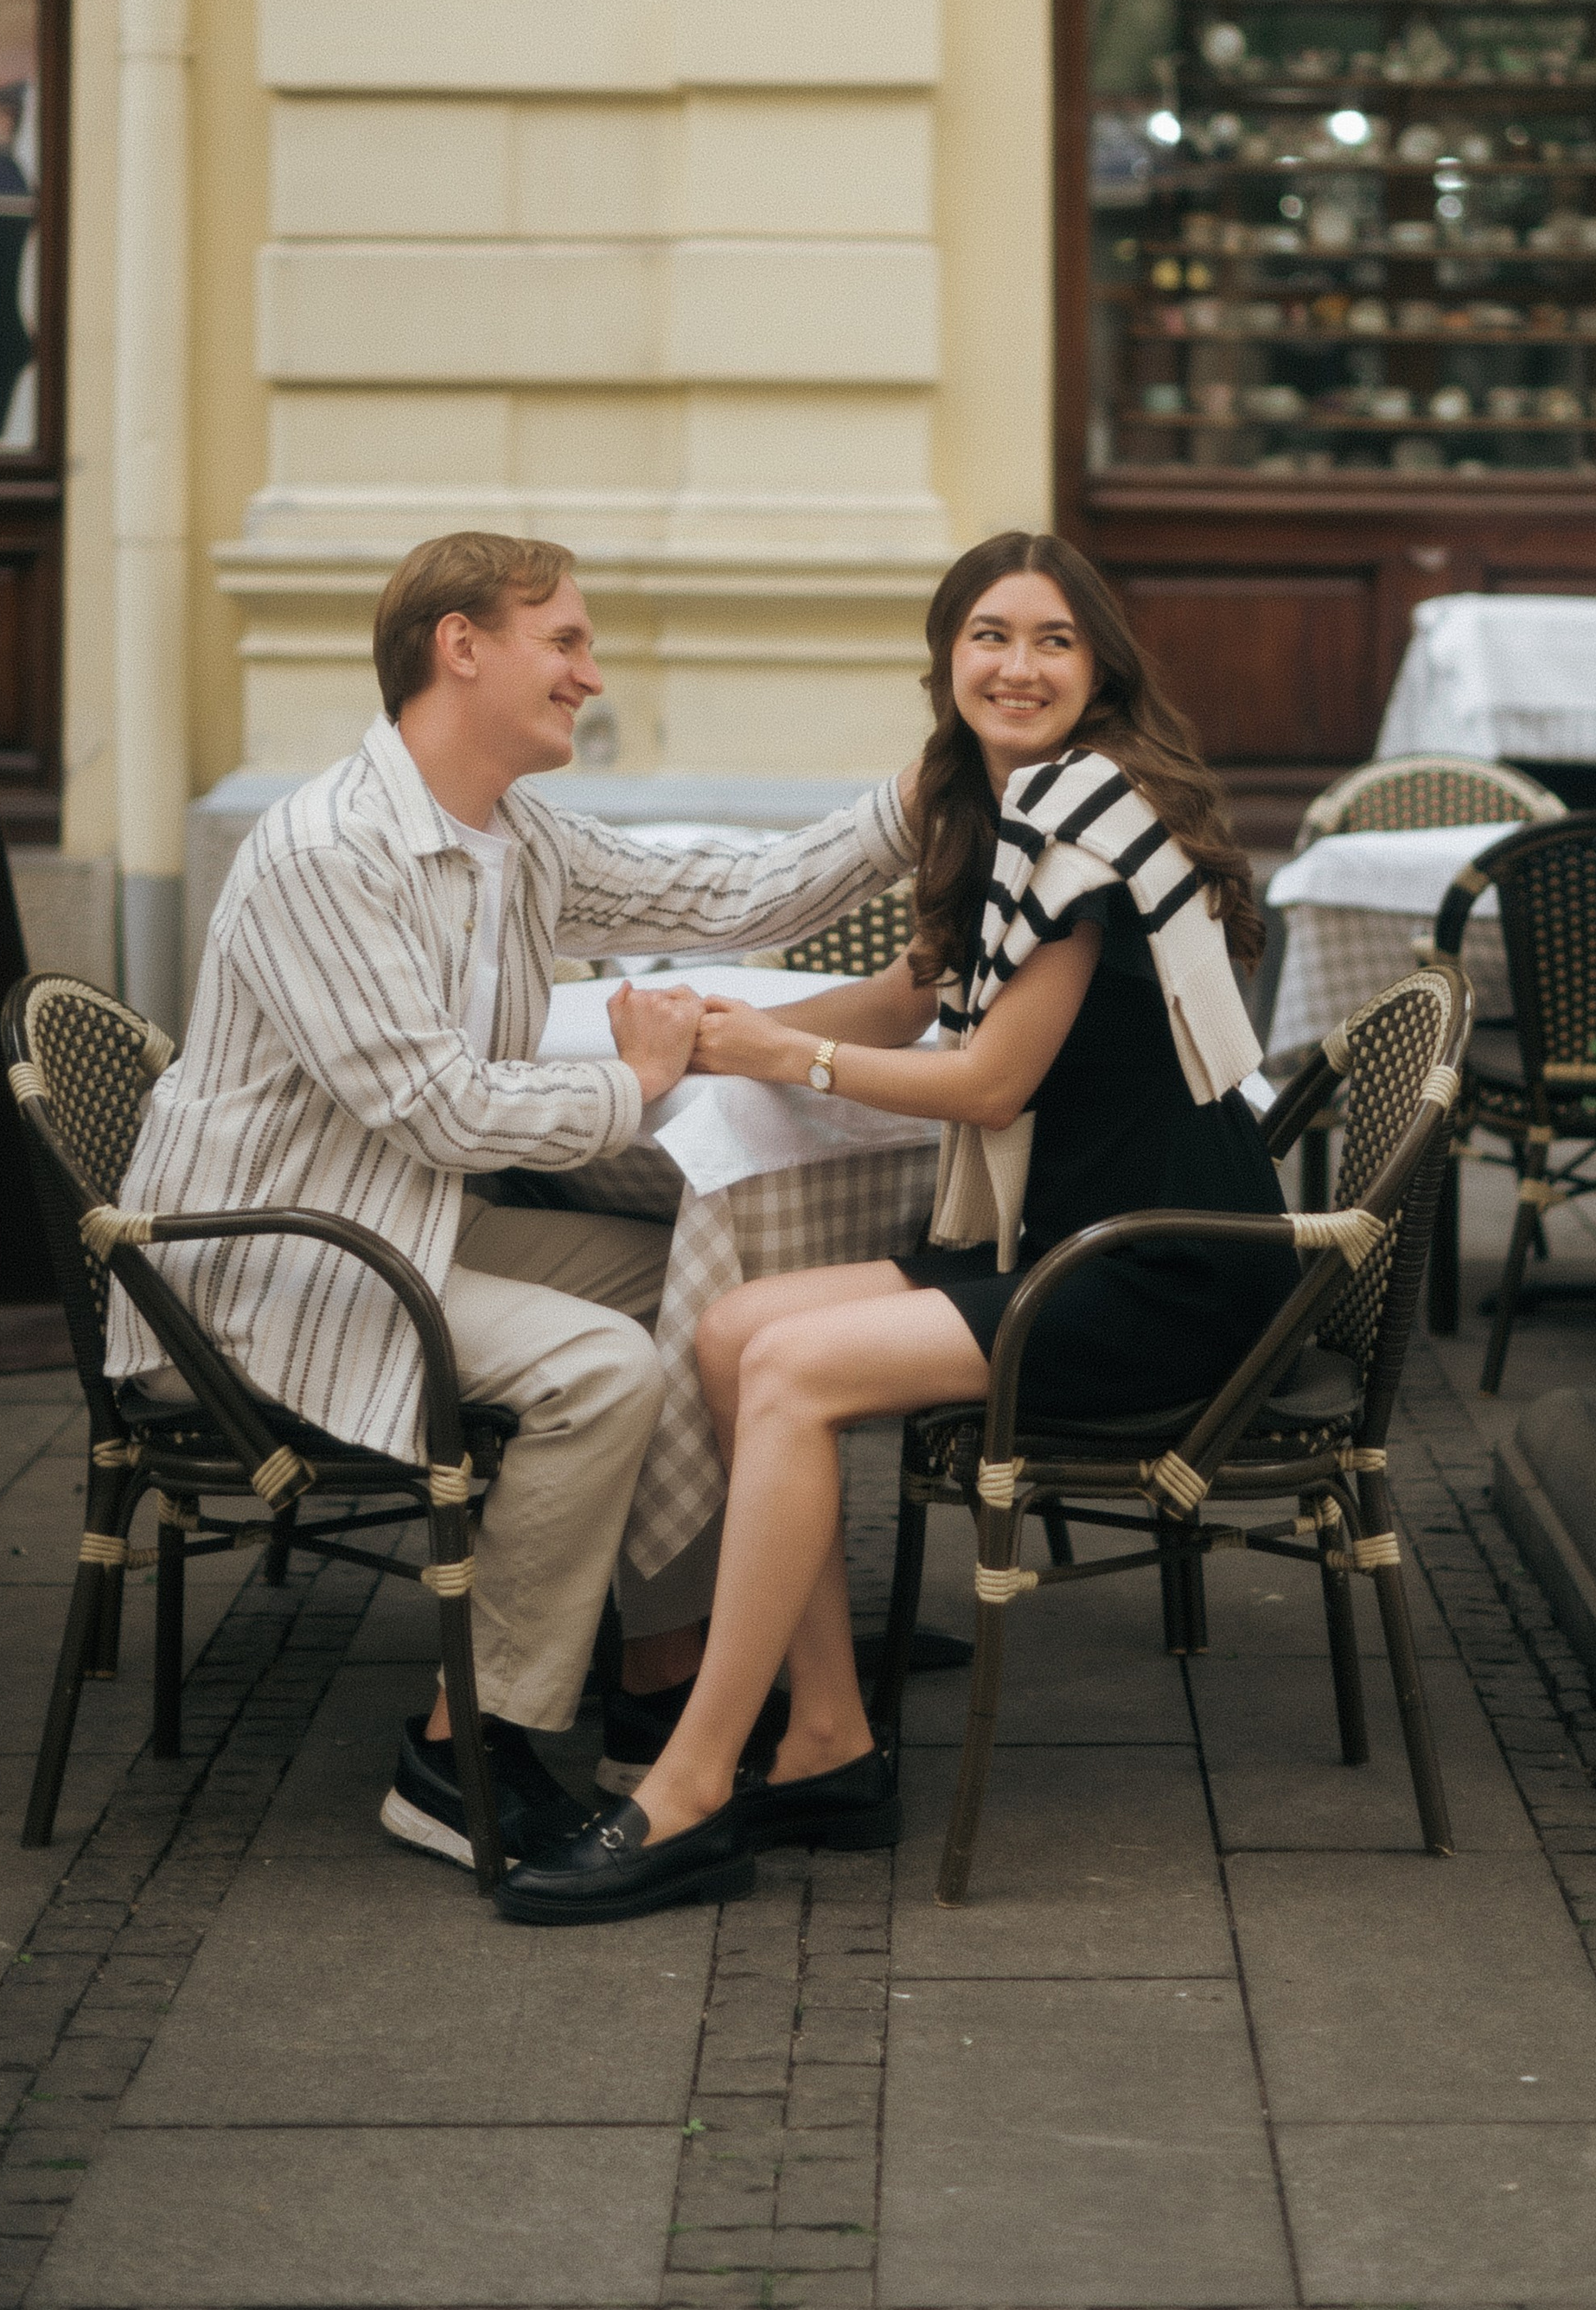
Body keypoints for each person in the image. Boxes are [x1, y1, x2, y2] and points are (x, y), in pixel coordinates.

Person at [495, 531, 1286, 1927]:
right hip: (1058, 1238)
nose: (1018, 664)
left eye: (1052, 639)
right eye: (990, 634)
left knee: (791, 1371)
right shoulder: (987, 805)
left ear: (1099, 666)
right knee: (736, 1329)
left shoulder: (1088, 818)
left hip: (1156, 1262)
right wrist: (711, 1039)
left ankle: (684, 1785)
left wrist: (769, 1060)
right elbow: (912, 1000)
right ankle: (826, 1739)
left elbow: (987, 1081)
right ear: (947, 657)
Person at [109, 531, 917, 1871]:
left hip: (397, 1221)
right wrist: (639, 1081)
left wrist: (920, 796)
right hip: (264, 1269)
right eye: (568, 642)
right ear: (461, 645)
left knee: (699, 1285)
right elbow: (437, 1107)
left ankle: (660, 1673)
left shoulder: (509, 832)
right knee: (602, 1369)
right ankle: (459, 1749)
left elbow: (731, 893)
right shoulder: (328, 848)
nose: (590, 675)